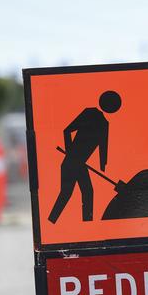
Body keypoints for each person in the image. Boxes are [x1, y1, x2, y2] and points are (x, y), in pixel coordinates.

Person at [48, 90, 121, 223]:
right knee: (66, 194)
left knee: (88, 192)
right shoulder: (89, 113)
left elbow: (103, 149)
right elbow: (67, 130)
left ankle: (87, 224)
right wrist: (70, 153)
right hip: (70, 163)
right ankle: (51, 221)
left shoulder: (104, 124)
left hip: (80, 164)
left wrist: (102, 167)